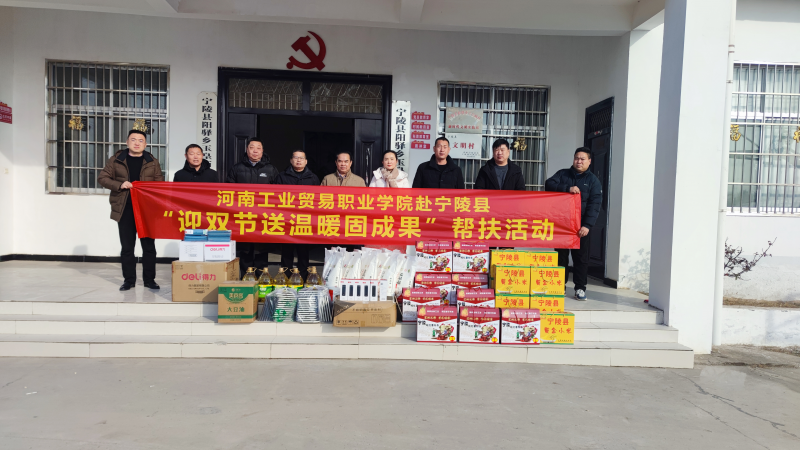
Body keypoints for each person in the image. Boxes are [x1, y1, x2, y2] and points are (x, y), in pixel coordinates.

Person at [98, 129, 165, 291]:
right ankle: (129, 280)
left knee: (149, 247)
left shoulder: (152, 161)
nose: (136, 143)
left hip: (146, 210)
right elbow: (103, 178)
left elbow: (159, 184)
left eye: (140, 140)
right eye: (133, 139)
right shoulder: (116, 160)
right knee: (127, 247)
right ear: (127, 142)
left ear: (145, 144)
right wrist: (120, 184)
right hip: (125, 208)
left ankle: (149, 280)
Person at [545, 147, 602, 301]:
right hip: (562, 225)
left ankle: (580, 288)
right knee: (561, 257)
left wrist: (587, 225)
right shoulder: (563, 174)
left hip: (580, 227)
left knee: (581, 259)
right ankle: (560, 286)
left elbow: (595, 205)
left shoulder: (593, 181)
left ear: (589, 161)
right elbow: (548, 184)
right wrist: (567, 188)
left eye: (582, 159)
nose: (579, 161)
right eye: (577, 158)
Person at [226, 138, 278, 276]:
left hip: (263, 216)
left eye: (258, 148)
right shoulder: (237, 168)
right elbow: (229, 191)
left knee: (261, 249)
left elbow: (278, 194)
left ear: (262, 151)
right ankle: (246, 279)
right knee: (245, 249)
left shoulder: (271, 169)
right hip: (243, 215)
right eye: (252, 147)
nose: (255, 151)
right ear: (247, 149)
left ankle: (262, 280)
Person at [274, 150, 320, 277]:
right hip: (287, 219)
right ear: (291, 160)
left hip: (305, 220)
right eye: (296, 157)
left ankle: (303, 278)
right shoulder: (281, 177)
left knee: (303, 251)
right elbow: (274, 197)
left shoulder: (313, 178)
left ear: (306, 161)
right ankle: (286, 277)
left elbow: (318, 200)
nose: (298, 160)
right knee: (287, 251)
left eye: (301, 158)